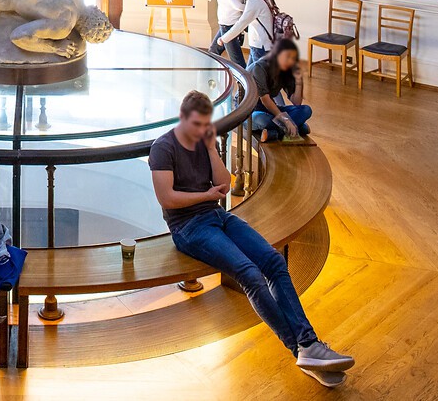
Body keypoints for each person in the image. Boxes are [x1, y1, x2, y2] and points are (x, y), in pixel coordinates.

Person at [149, 92, 354, 387]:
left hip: (218, 216)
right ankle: (302, 349)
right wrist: (206, 195)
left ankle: (309, 346)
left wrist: (211, 150)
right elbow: (167, 198)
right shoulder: (163, 147)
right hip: (188, 227)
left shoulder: (205, 140)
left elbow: (224, 182)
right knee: (250, 275)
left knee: (273, 261)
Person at [249, 39, 312, 142]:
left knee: (306, 110)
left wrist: (299, 81)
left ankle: (274, 133)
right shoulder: (259, 68)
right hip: (250, 111)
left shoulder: (286, 70)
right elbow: (265, 100)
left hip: (270, 110)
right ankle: (298, 128)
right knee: (263, 120)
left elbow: (296, 102)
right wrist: (286, 120)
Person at [214, 0, 278, 65]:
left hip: (260, 46)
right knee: (249, 74)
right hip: (261, 45)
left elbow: (241, 23)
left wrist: (224, 38)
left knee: (256, 75)